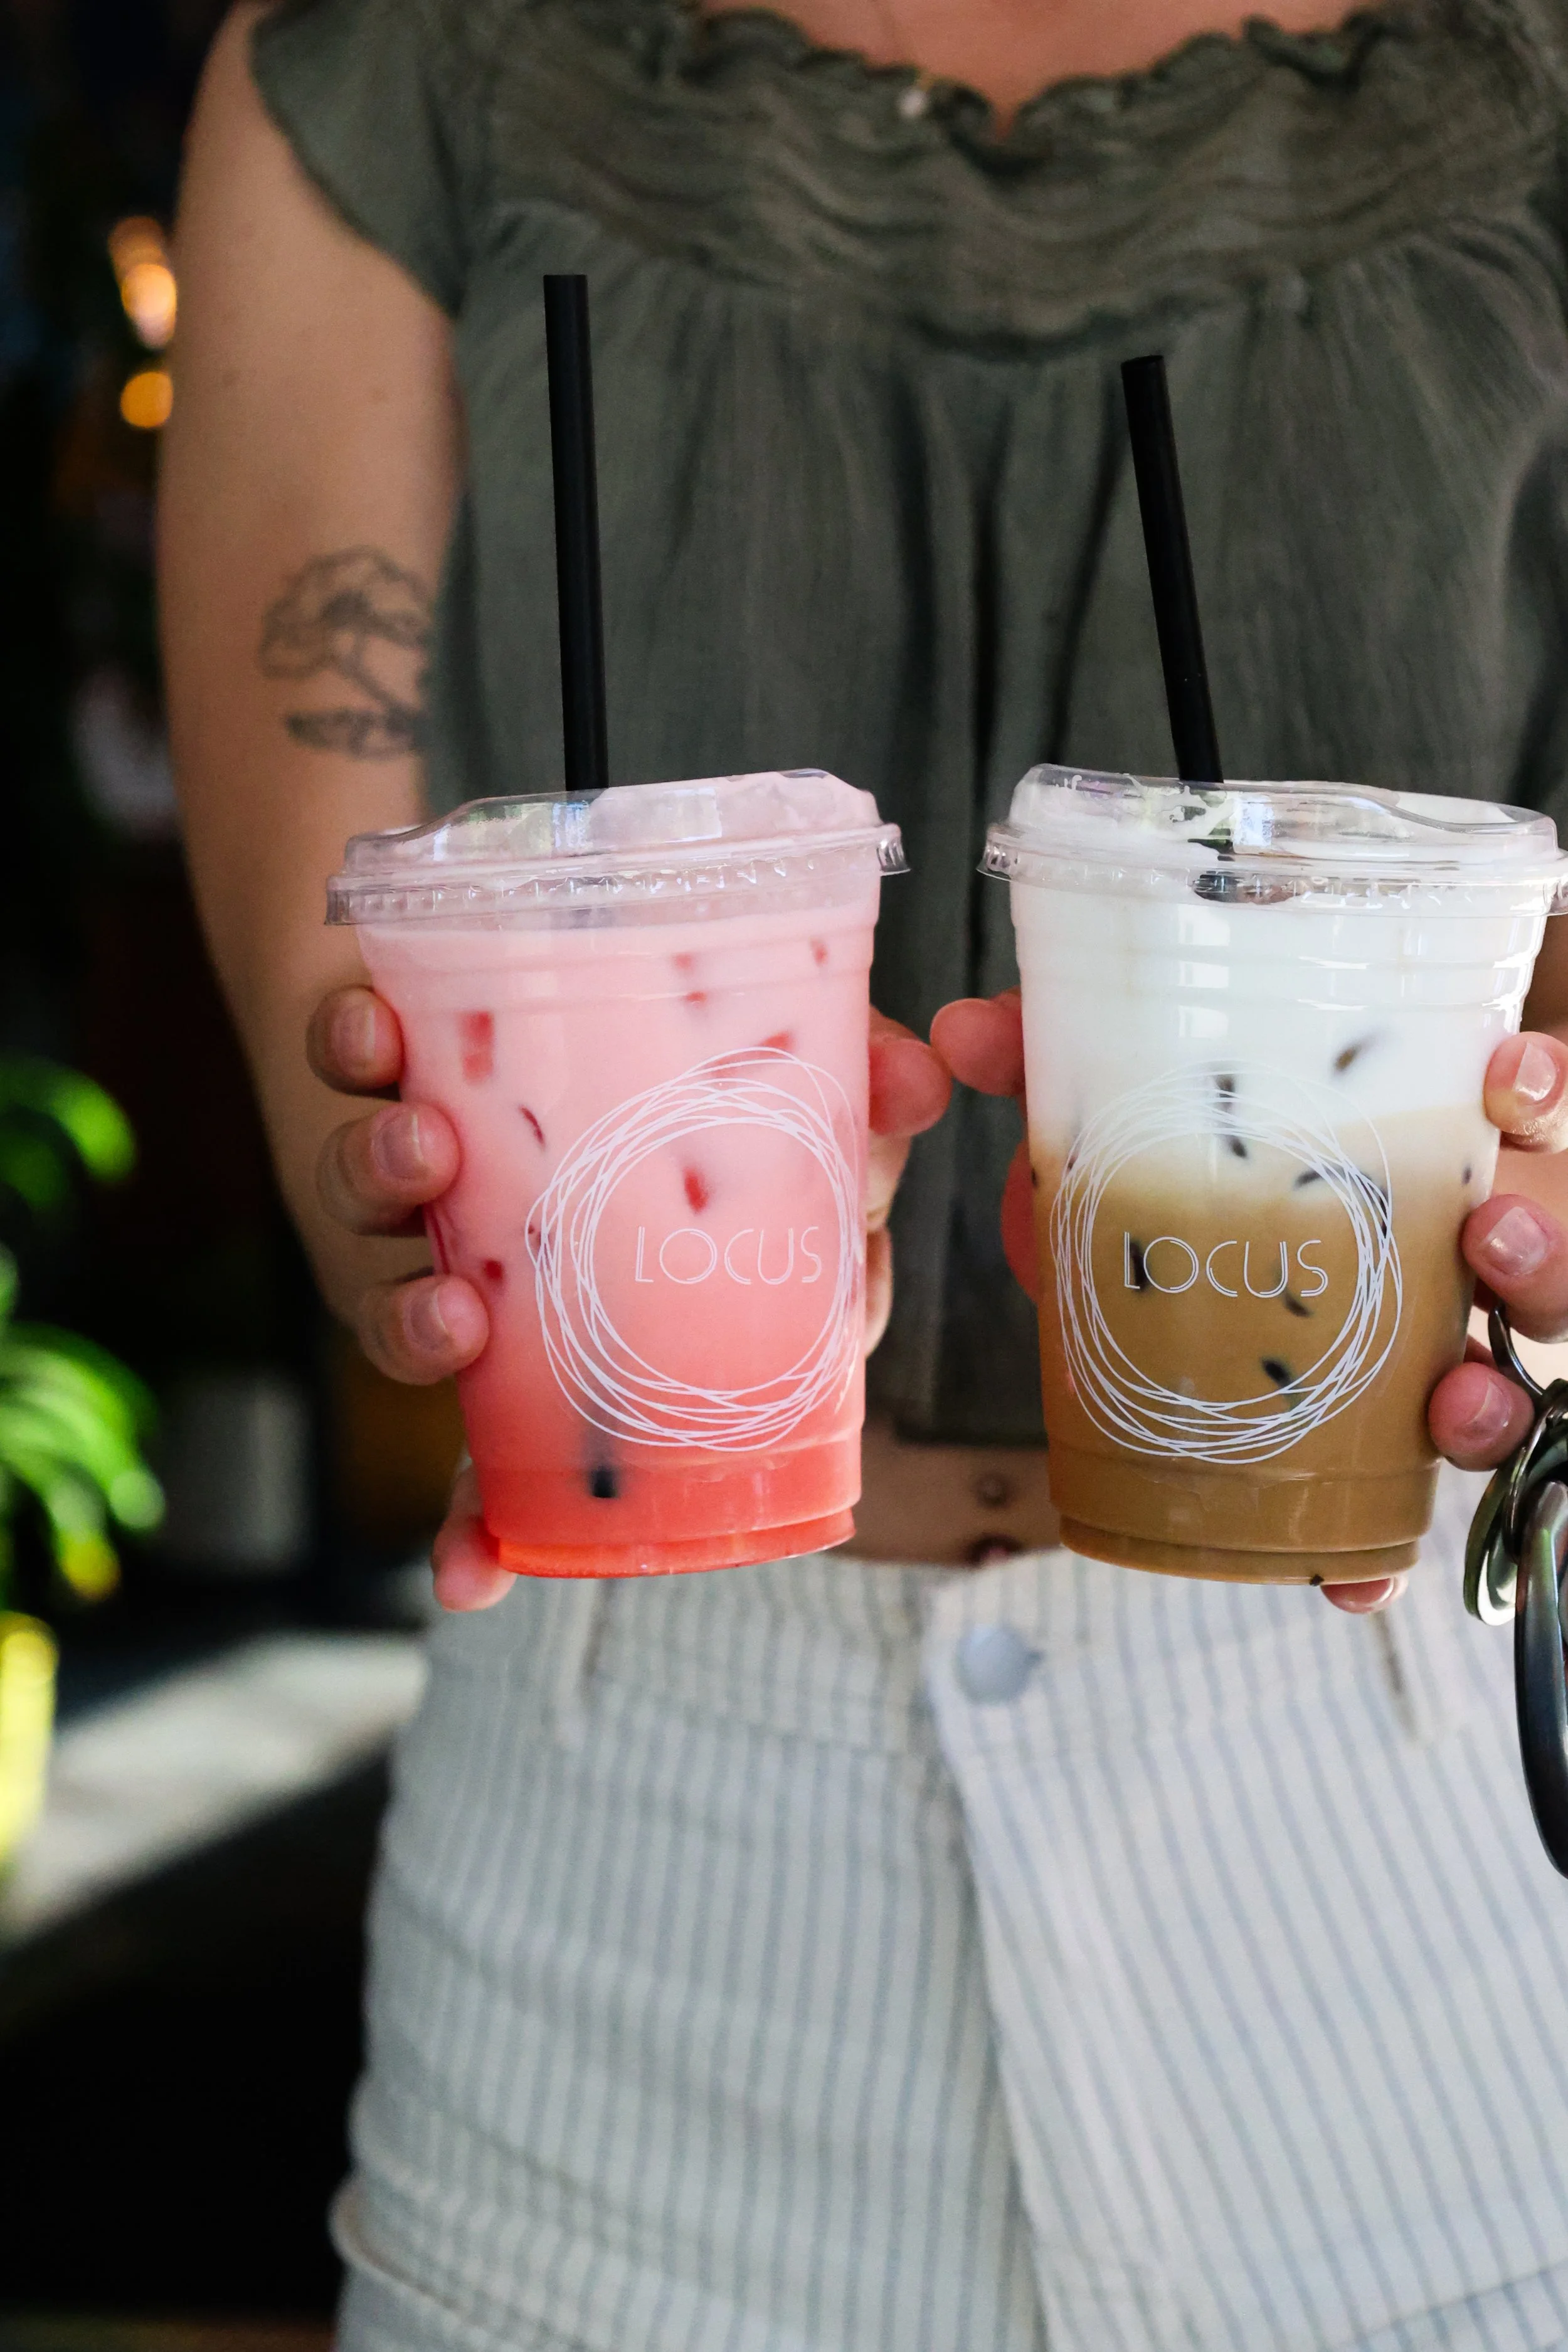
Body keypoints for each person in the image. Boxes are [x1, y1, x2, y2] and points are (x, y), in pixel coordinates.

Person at [160, 1, 1568, 2344]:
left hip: (1421, 1854)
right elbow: (355, 1027)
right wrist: (424, 1180)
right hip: (632, 1880)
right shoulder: (393, 58)